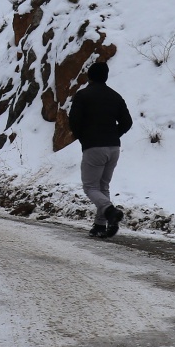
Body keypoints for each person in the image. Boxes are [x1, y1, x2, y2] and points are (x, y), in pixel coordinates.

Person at [67, 59, 133, 238]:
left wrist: (85, 137)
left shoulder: (83, 95)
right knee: (103, 186)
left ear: (90, 76)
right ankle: (100, 225)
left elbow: (73, 121)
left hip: (94, 147)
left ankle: (110, 211)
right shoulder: (116, 96)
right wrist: (113, 135)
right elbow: (127, 122)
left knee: (90, 187)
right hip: (114, 148)